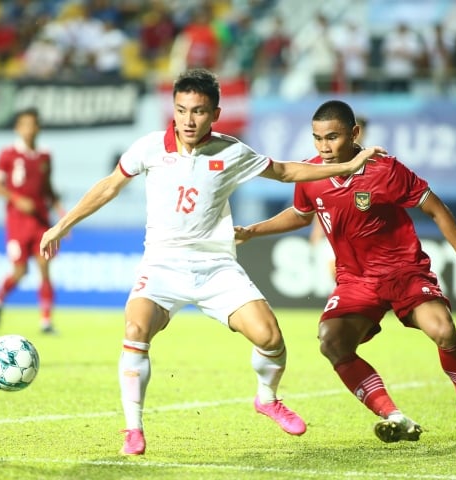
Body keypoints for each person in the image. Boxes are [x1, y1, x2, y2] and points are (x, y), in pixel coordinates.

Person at [39, 69, 380, 455]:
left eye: (198, 111)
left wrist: (346, 167)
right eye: (181, 109)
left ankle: (266, 399)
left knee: (270, 337)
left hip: (216, 267)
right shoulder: (150, 148)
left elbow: (286, 172)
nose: (188, 119)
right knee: (135, 328)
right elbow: (108, 186)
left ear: (214, 113)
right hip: (163, 266)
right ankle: (133, 430)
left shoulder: (231, 151)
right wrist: (61, 226)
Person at [234, 100, 456, 446]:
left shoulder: (386, 169)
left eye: (332, 137)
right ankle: (394, 416)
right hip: (356, 280)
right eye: (317, 138)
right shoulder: (311, 175)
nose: (324, 147)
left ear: (354, 134)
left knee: (444, 331)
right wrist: (253, 231)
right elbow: (303, 215)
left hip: (405, 273)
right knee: (331, 341)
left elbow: (436, 209)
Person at [0, 107, 63, 334]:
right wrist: (16, 199)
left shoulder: (45, 156)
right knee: (20, 271)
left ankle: (46, 321)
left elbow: (49, 188)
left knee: (44, 265)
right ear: (18, 128)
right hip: (17, 222)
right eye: (25, 125)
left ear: (38, 127)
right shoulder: (7, 154)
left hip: (41, 221)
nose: (29, 129)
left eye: (33, 124)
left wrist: (62, 216)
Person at [309, 114, 369, 281]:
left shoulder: (372, 162)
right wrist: (317, 230)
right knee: (338, 275)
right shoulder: (328, 161)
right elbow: (321, 197)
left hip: (362, 231)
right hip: (336, 230)